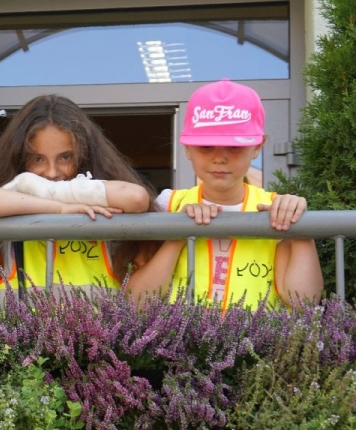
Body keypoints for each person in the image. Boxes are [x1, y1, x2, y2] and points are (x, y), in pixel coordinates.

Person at [127, 79, 323, 310]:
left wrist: (300, 229)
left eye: (234, 147)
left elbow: (302, 302)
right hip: (181, 335)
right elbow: (136, 303)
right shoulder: (168, 204)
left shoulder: (276, 209)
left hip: (255, 334)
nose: (219, 158)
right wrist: (178, 234)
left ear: (257, 147)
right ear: (187, 148)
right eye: (206, 146)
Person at [0, 94, 154, 294]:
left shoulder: (30, 189)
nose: (52, 172)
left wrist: (46, 191)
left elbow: (136, 198)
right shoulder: (10, 199)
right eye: (37, 159)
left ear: (85, 156)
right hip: (21, 316)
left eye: (66, 157)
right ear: (18, 160)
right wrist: (59, 207)